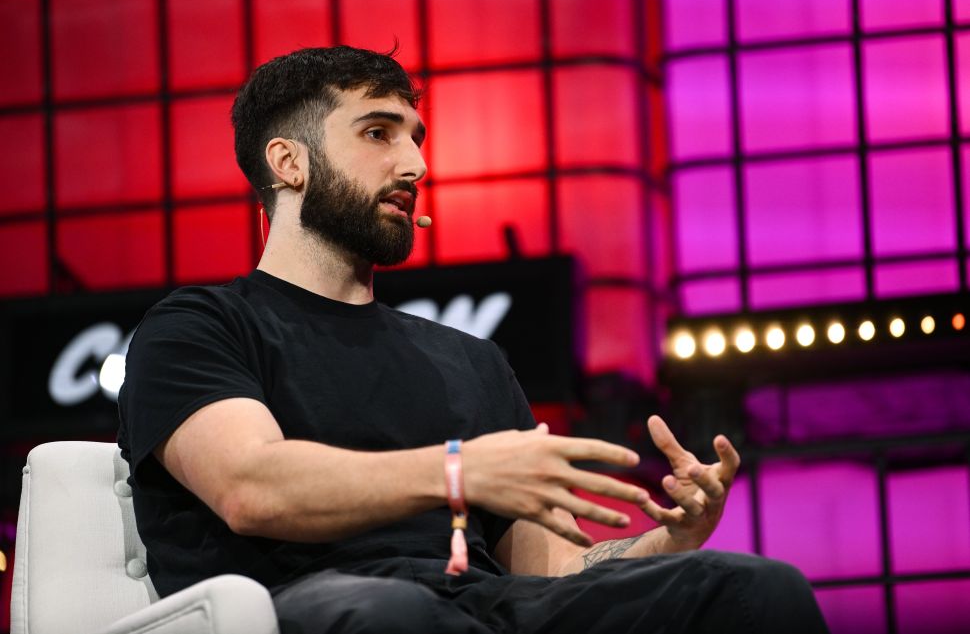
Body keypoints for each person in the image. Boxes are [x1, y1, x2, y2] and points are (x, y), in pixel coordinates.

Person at [118, 46, 829, 633]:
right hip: (314, 607)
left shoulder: (469, 359)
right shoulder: (198, 326)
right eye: (378, 133)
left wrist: (668, 537)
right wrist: (459, 471)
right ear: (289, 162)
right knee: (389, 613)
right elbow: (252, 486)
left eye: (415, 139)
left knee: (755, 588)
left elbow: (553, 574)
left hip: (485, 609)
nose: (416, 167)